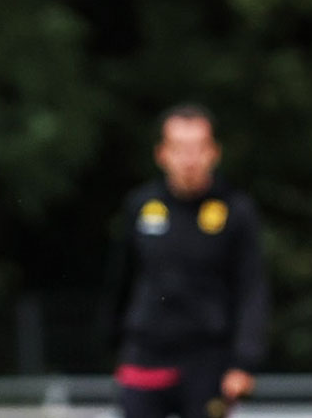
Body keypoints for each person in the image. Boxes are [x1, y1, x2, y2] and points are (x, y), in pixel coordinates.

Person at [103, 104, 269, 418]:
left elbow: (251, 288)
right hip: (146, 355)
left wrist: (244, 362)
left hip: (208, 360)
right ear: (162, 154)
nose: (189, 160)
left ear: (214, 152)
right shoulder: (140, 206)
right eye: (179, 148)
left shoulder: (236, 211)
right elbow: (120, 280)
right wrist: (113, 345)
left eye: (197, 148)